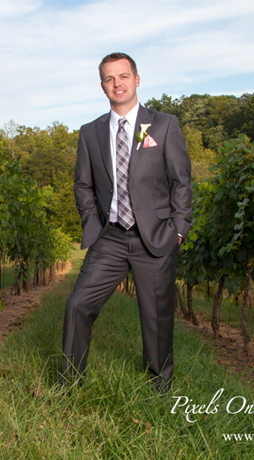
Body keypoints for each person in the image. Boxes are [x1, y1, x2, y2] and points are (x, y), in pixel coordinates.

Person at [59, 52, 192, 394]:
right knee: (78, 305)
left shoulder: (163, 125)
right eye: (109, 78)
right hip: (111, 239)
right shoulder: (90, 133)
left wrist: (178, 229)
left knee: (157, 320)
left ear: (136, 79)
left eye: (123, 76)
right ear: (102, 86)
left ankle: (160, 388)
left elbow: (181, 181)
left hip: (156, 238)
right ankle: (69, 384)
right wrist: (92, 219)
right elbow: (82, 185)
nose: (117, 83)